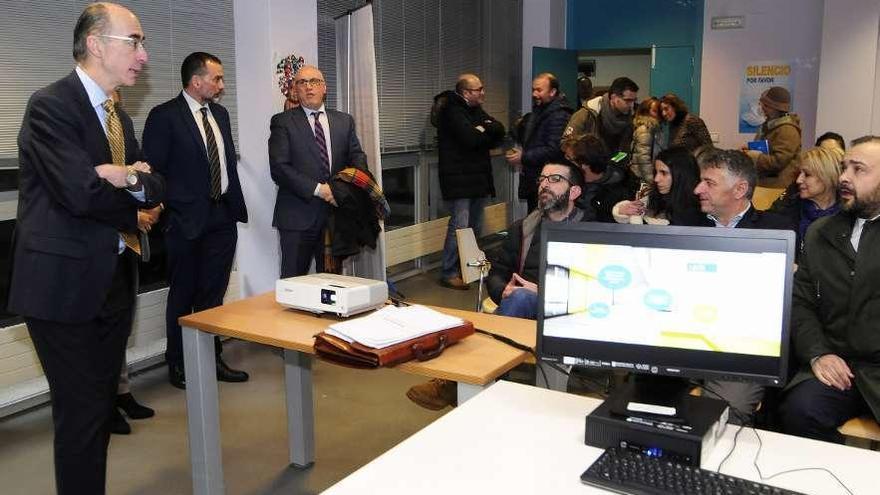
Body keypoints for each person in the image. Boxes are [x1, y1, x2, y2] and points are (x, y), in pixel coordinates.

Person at [8, 3, 164, 493]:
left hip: (113, 281)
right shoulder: (52, 105)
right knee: (79, 415)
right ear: (96, 44)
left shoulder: (116, 113)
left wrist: (125, 178)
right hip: (62, 287)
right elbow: (79, 192)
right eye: (134, 41)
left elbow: (154, 183)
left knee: (98, 409)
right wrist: (127, 194)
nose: (144, 54)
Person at [406, 162, 585, 410]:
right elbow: (496, 273)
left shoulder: (592, 231)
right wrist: (504, 290)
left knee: (521, 299)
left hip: (571, 309)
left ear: (574, 192)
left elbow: (597, 290)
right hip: (521, 304)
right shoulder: (523, 228)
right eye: (542, 179)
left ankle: (459, 382)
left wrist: (544, 294)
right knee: (517, 299)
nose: (544, 184)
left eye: (555, 179)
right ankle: (471, 382)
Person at [143, 52, 250, 390]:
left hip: (222, 216)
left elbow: (225, 163)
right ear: (196, 80)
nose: (222, 85)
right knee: (183, 294)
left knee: (212, 295)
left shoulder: (220, 113)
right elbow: (155, 171)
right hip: (185, 220)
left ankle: (211, 357)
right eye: (217, 78)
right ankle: (177, 362)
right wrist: (162, 209)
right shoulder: (164, 116)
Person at [780, 136, 880, 443]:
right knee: (798, 411)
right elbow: (801, 303)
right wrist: (818, 354)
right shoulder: (820, 232)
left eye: (858, 169)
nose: (844, 178)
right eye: (843, 168)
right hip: (835, 366)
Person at [693, 149, 793, 419]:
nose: (697, 189)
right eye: (700, 180)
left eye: (709, 183)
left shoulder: (776, 233)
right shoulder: (688, 226)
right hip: (686, 335)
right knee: (642, 394)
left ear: (739, 189)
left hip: (741, 345)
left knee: (723, 413)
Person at [269, 65, 367, 278]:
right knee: (294, 284)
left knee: (332, 284)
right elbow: (279, 168)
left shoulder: (344, 121)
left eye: (314, 81)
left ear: (325, 88)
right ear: (295, 90)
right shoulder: (282, 122)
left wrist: (339, 190)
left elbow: (357, 160)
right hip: (297, 217)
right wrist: (319, 190)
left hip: (335, 216)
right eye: (302, 82)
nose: (308, 87)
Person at [434, 74, 505, 290]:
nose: (483, 92)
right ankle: (448, 272)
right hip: (459, 180)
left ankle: (469, 269)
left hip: (476, 178)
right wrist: (482, 129)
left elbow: (499, 130)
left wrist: (483, 127)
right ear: (466, 93)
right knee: (460, 227)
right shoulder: (452, 111)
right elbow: (470, 139)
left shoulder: (474, 110)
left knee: (474, 227)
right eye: (479, 89)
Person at [506, 72, 572, 212]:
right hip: (536, 178)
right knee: (534, 221)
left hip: (548, 181)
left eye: (539, 90)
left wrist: (523, 157)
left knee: (543, 223)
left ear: (553, 92)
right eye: (533, 90)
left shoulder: (559, 115)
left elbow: (554, 149)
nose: (534, 94)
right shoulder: (540, 112)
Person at [768, 146, 844, 259]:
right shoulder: (786, 208)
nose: (799, 180)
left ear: (828, 177)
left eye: (807, 175)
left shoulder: (851, 216)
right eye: (799, 173)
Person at [612, 146, 705, 226]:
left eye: (664, 173)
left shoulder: (696, 212)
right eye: (656, 172)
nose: (656, 179)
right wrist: (622, 211)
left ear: (681, 175)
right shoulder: (653, 197)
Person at [563, 133, 639, 223]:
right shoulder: (569, 180)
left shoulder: (620, 192)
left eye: (569, 159)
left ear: (584, 165)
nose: (564, 162)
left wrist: (619, 213)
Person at [744, 86, 802, 188]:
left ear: (777, 109)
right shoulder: (770, 125)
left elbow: (778, 162)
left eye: (767, 106)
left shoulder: (787, 130)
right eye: (763, 104)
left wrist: (755, 156)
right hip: (767, 185)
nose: (762, 108)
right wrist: (749, 149)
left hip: (778, 188)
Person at [569, 76, 639, 155]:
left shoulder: (629, 120)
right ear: (613, 97)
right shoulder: (587, 114)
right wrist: (585, 160)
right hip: (587, 165)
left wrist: (615, 164)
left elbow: (624, 151)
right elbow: (566, 143)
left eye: (634, 100)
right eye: (628, 100)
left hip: (613, 164)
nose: (631, 105)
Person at [629, 97, 662, 182]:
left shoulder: (654, 129)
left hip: (644, 175)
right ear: (646, 111)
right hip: (641, 177)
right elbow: (643, 157)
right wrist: (651, 180)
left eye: (659, 111)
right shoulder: (645, 129)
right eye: (655, 111)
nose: (658, 114)